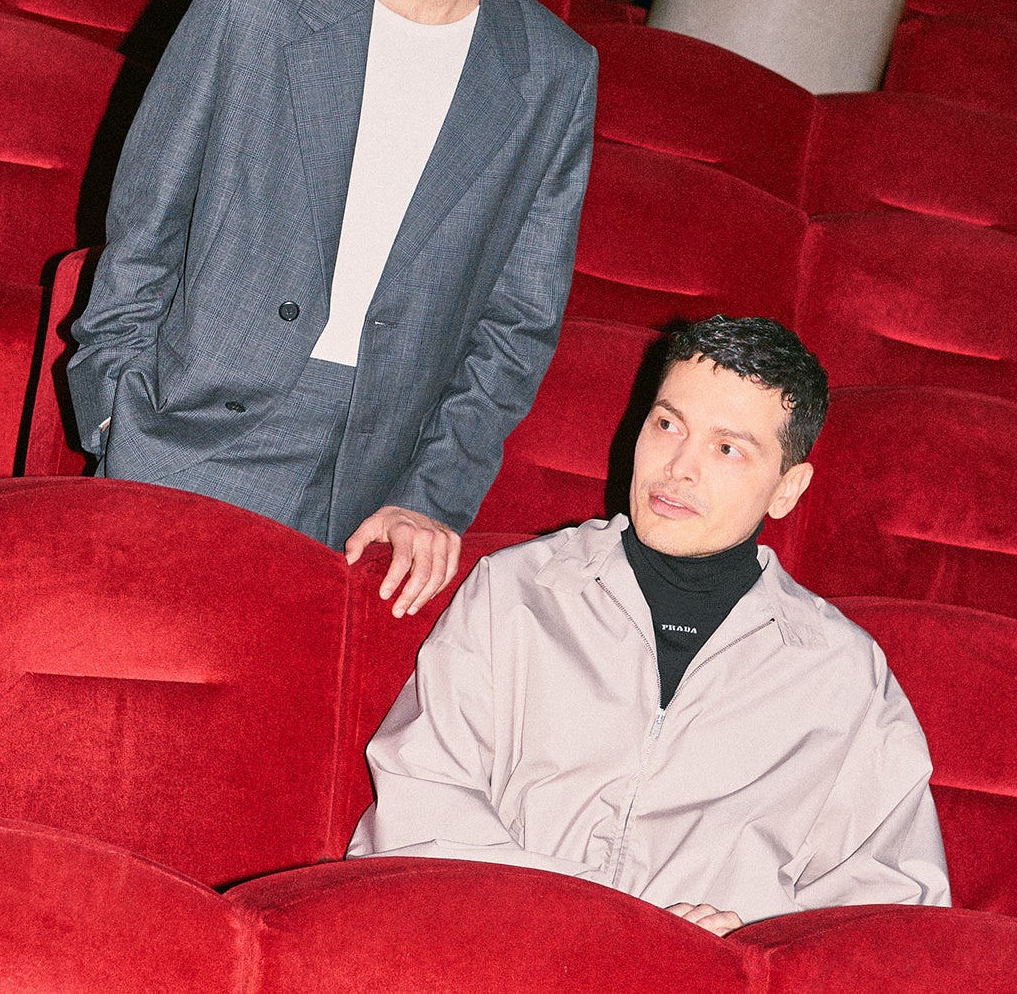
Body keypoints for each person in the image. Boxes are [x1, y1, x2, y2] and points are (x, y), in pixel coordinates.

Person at [67, 0, 597, 618]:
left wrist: (434, 495)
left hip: (378, 496)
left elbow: (519, 323)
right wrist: (117, 412)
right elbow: (145, 228)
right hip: (187, 434)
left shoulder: (555, 72)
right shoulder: (255, 1)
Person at [347, 315, 950, 930]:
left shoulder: (844, 674)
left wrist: (752, 943)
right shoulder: (517, 592)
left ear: (787, 489)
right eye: (667, 425)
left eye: (726, 449)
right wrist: (621, 923)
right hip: (504, 944)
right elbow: (419, 802)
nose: (679, 466)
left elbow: (893, 915)